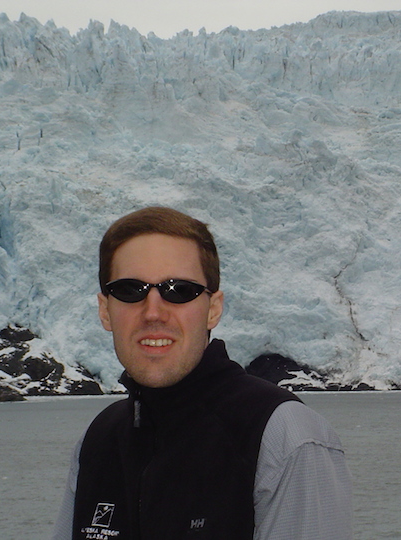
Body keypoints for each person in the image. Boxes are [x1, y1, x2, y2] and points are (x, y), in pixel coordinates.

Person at [51, 206, 352, 540]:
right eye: (130, 290)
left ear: (213, 309)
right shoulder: (97, 443)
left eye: (179, 290)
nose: (153, 312)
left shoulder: (283, 437)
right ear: (105, 311)